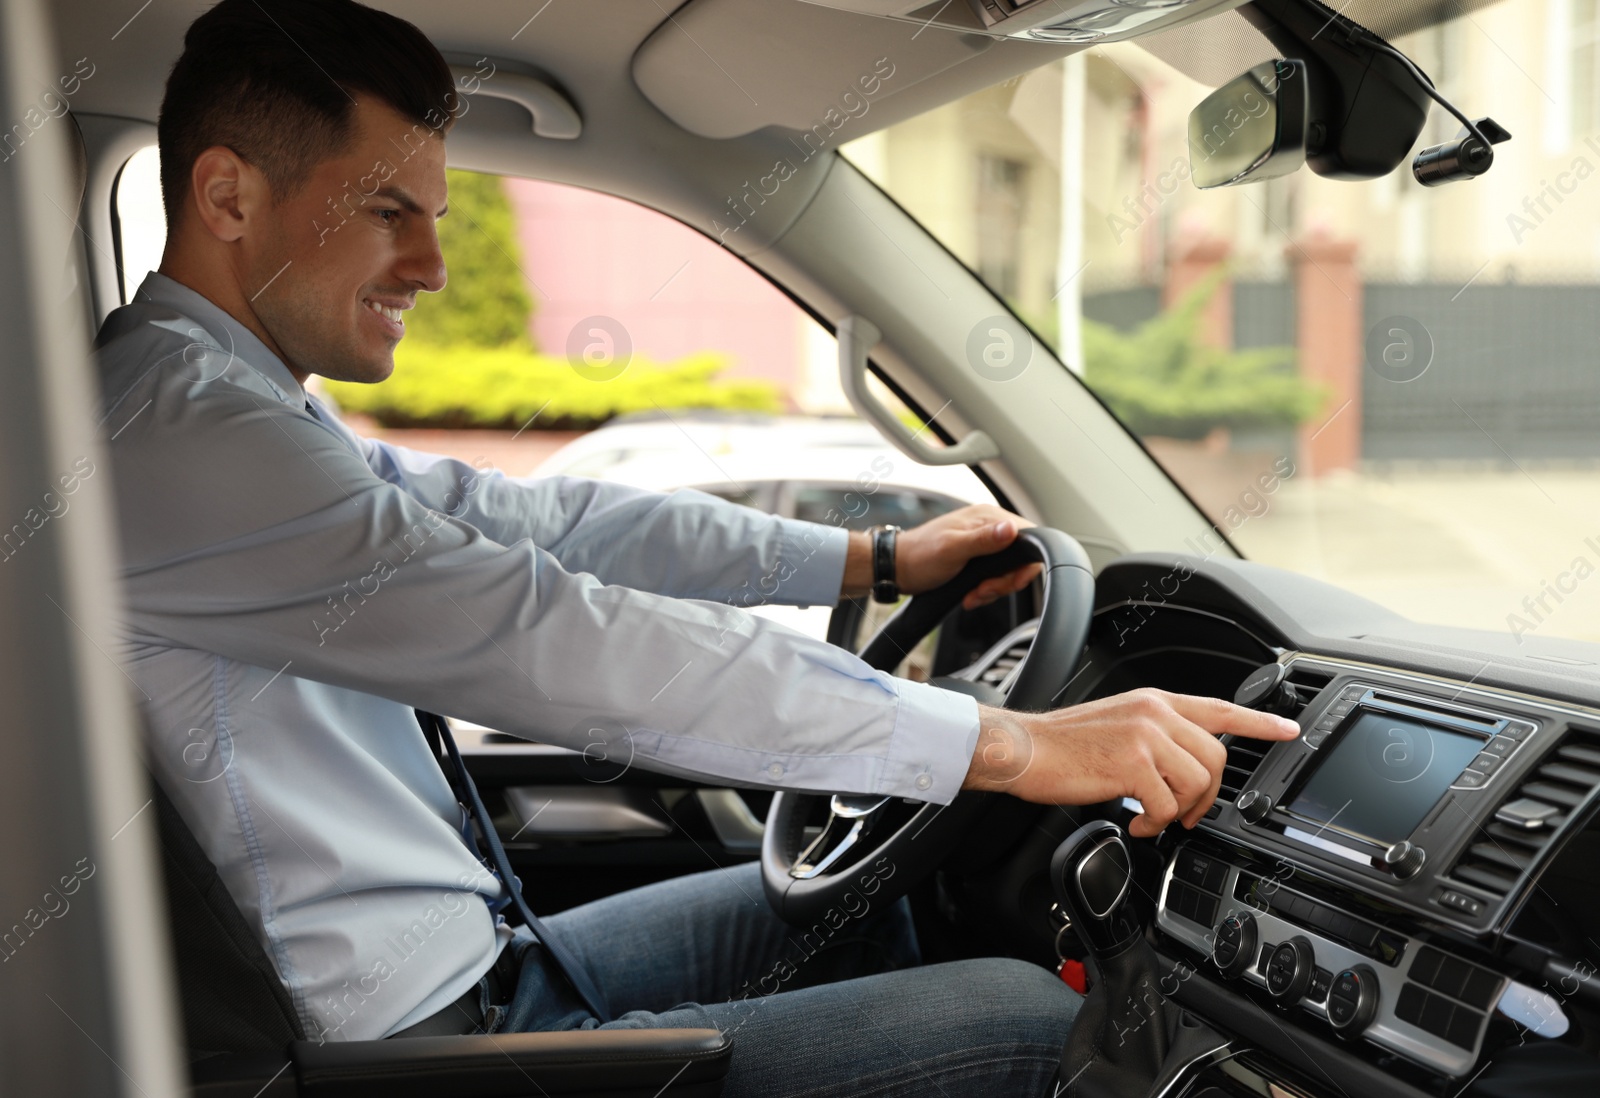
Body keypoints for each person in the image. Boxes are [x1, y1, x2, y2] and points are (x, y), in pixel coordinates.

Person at [95, 1, 1300, 1093]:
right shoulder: (186, 438)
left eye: (437, 217)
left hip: (483, 960)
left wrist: (875, 562)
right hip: (416, 1051)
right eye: (386, 212)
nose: (434, 265)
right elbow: (557, 642)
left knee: (872, 901)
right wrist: (1011, 742)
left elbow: (548, 522)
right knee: (1036, 1028)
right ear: (229, 197)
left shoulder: (237, 410)